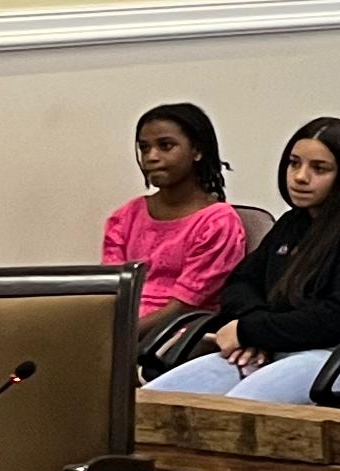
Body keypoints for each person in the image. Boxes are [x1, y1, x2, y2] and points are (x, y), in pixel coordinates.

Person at [146, 117, 340, 403]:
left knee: (236, 410)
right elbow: (241, 284)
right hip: (278, 345)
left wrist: (253, 331)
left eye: (319, 168)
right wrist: (257, 332)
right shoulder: (294, 221)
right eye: (294, 164)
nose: (300, 177)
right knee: (152, 400)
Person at [102, 103, 246, 316]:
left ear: (197, 151)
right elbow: (111, 290)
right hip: (120, 322)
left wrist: (118, 333)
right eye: (144, 148)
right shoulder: (125, 217)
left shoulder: (218, 223)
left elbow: (183, 307)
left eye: (165, 146)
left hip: (179, 328)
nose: (151, 157)